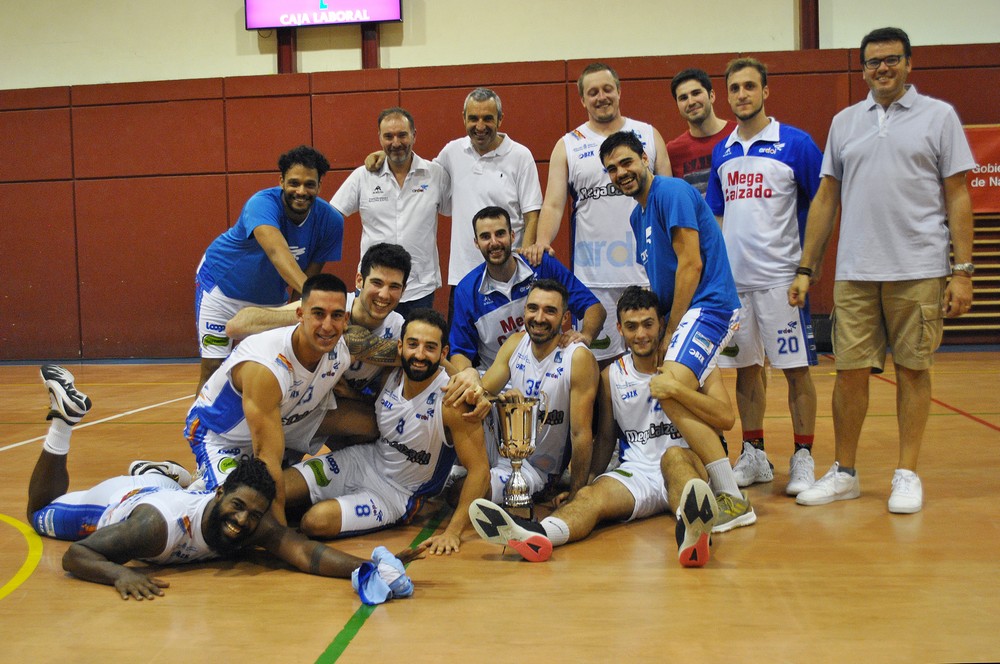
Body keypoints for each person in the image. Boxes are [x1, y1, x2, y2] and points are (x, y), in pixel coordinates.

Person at [28, 366, 420, 604]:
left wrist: (370, 567)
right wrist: (120, 575)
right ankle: (64, 423)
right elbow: (76, 556)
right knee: (38, 513)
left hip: (172, 495)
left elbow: (306, 554)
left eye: (252, 514)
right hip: (119, 502)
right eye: (237, 507)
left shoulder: (252, 520)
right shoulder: (153, 529)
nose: (242, 520)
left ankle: (163, 475)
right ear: (220, 492)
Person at [789, 27, 976, 514]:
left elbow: (958, 195)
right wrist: (807, 267)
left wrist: (963, 271)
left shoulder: (939, 118)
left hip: (919, 267)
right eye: (873, 62)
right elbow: (826, 197)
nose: (882, 69)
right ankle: (845, 473)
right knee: (849, 374)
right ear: (863, 68)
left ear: (909, 64)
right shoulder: (845, 122)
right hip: (855, 271)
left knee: (913, 370)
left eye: (892, 60)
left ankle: (907, 474)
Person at [467, 287, 740, 566]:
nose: (641, 334)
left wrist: (677, 390)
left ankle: (691, 533)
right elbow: (606, 438)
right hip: (637, 474)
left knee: (673, 457)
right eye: (632, 327)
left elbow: (726, 418)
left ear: (662, 324)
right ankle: (538, 534)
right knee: (590, 497)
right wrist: (586, 482)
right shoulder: (612, 375)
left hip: (686, 464)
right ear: (620, 329)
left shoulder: (695, 365)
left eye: (648, 324)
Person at [599, 130, 753, 524]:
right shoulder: (638, 215)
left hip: (709, 306)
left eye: (626, 162)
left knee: (668, 387)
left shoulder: (672, 192)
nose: (621, 172)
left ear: (645, 159)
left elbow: (691, 264)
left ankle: (732, 499)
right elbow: (661, 277)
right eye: (612, 169)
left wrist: (670, 330)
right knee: (667, 389)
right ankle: (725, 491)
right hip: (688, 314)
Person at [705, 57, 823, 497]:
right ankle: (753, 454)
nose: (741, 95)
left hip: (782, 282)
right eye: (734, 88)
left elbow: (823, 205)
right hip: (736, 286)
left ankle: (804, 456)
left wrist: (807, 269)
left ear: (766, 90)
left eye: (750, 86)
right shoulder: (725, 150)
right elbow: (718, 218)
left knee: (795, 371)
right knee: (746, 372)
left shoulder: (796, 143)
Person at [283, 308, 492, 555]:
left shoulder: (453, 401)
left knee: (314, 522)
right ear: (400, 347)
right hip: (364, 459)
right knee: (280, 488)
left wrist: (453, 532)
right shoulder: (390, 374)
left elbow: (480, 471)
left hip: (396, 495)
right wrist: (352, 395)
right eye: (413, 344)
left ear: (443, 353)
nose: (419, 354)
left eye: (430, 347)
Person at [524, 63, 671, 364]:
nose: (601, 97)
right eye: (592, 92)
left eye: (607, 89)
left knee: (654, 359)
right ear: (582, 100)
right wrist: (541, 241)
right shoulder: (568, 144)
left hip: (645, 272)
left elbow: (667, 195)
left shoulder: (647, 134)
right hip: (594, 276)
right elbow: (553, 204)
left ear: (618, 91)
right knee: (597, 363)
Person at [185, 273, 351, 524]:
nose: (328, 326)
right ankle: (180, 485)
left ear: (346, 319)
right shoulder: (266, 366)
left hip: (283, 423)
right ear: (300, 315)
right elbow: (267, 456)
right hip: (219, 435)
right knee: (238, 519)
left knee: (368, 423)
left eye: (336, 315)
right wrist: (280, 534)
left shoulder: (342, 346)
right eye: (318, 314)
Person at [367, 88, 543, 322]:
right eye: (473, 118)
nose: (480, 126)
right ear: (463, 118)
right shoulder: (452, 152)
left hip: (509, 277)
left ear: (500, 119)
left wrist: (524, 265)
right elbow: (419, 171)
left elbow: (532, 214)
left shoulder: (520, 156)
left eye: (488, 118)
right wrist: (386, 154)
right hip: (464, 277)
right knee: (463, 350)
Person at [195, 145, 344, 391]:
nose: (301, 191)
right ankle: (197, 429)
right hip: (220, 289)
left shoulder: (331, 221)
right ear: (281, 181)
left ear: (319, 186)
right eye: (294, 183)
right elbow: (277, 252)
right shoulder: (261, 204)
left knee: (276, 366)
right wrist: (320, 299)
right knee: (213, 368)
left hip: (271, 300)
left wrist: (301, 310)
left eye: (309, 184)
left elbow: (309, 276)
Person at [446, 279, 600, 507]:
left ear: (565, 318)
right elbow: (483, 393)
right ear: (524, 310)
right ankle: (450, 468)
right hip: (501, 447)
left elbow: (581, 434)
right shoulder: (516, 342)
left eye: (550, 311)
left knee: (461, 495)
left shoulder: (577, 358)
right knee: (454, 400)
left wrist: (577, 494)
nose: (539, 318)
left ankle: (472, 477)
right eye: (533, 308)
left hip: (537, 470)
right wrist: (498, 400)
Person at [448, 206, 605, 373]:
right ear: (476, 243)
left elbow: (595, 309)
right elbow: (460, 352)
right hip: (496, 382)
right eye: (485, 237)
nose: (494, 243)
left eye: (500, 234)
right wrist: (467, 379)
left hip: (551, 371)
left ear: (512, 236)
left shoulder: (541, 265)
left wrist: (586, 335)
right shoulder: (466, 290)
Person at [331, 108, 450, 317]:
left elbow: (461, 209)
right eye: (388, 136)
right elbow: (331, 215)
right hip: (374, 289)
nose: (396, 143)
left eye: (402, 135)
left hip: (418, 288)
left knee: (415, 349)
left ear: (414, 134)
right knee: (367, 349)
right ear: (379, 138)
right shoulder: (363, 176)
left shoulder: (435, 174)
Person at [667, 68, 737, 195]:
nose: (691, 102)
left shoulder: (738, 134)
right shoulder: (672, 152)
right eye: (683, 98)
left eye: (696, 93)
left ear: (712, 96)